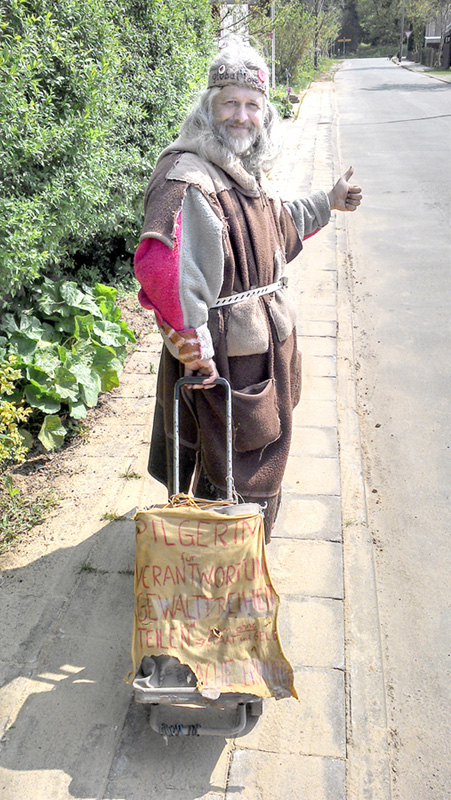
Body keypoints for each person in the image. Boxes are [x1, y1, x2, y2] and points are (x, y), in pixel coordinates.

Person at [134, 39, 362, 542]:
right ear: (208, 109)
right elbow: (162, 271)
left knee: (248, 451)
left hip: (260, 351)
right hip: (222, 359)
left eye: (252, 105)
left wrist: (330, 201)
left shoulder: (240, 174)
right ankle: (217, 562)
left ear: (265, 113)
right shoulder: (188, 180)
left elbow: (277, 224)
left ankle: (236, 547)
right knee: (226, 461)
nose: (242, 116)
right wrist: (195, 352)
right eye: (229, 103)